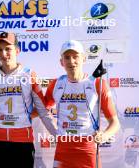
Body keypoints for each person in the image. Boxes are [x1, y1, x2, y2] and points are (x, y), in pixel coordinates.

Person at [0, 32, 57, 168]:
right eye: (0, 50)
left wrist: (58, 135)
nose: (4, 53)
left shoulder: (29, 75)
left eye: (8, 49)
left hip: (22, 144)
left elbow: (42, 111)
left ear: (17, 50)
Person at [45, 40, 120, 168]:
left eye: (76, 57)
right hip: (63, 149)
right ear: (61, 62)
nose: (71, 61)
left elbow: (115, 123)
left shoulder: (97, 83)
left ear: (84, 59)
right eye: (67, 57)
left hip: (88, 150)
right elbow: (42, 110)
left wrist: (104, 135)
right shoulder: (56, 84)